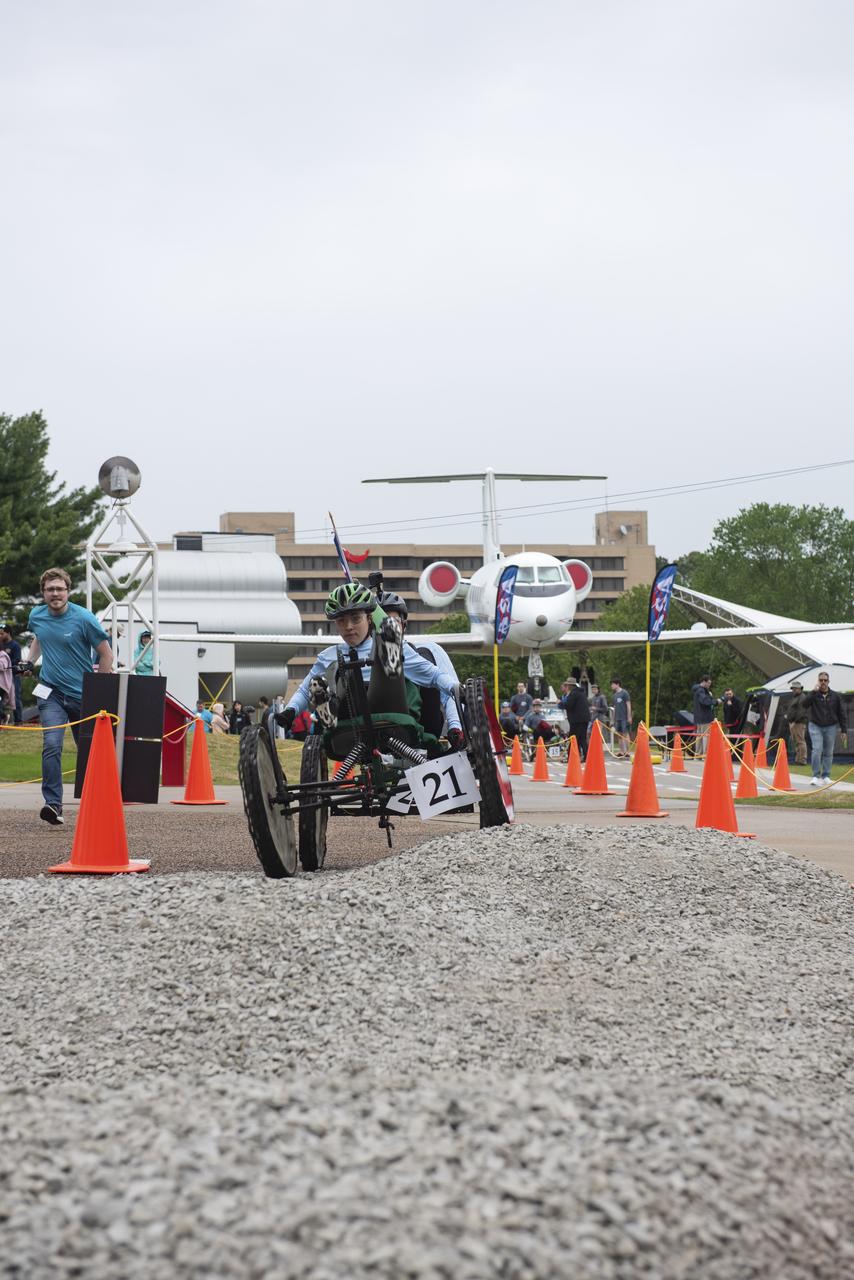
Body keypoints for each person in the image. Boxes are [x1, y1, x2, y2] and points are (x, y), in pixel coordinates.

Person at [275, 582, 463, 749]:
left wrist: (455, 688)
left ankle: (380, 658)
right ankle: (330, 717)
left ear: (369, 618)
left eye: (355, 619)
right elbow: (302, 691)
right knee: (318, 681)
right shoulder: (328, 656)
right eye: (341, 621)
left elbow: (433, 675)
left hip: (390, 707)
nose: (348, 627)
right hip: (347, 714)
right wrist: (290, 712)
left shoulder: (392, 645)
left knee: (387, 644)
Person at [25, 567, 113, 825]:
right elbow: (39, 638)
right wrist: (29, 661)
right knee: (52, 744)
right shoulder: (36, 616)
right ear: (43, 593)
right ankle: (53, 804)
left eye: (60, 589)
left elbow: (106, 654)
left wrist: (99, 690)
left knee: (90, 751)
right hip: (50, 692)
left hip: (83, 695)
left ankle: (98, 802)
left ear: (68, 591)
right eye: (50, 589)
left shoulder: (84, 618)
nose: (55, 593)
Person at [374, 590, 463, 738]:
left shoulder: (427, 650)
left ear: (404, 625)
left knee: (427, 655)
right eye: (379, 623)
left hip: (423, 731)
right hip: (374, 731)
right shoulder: (361, 652)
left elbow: (449, 691)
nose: (386, 628)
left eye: (393, 622)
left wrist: (455, 727)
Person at [802, 671, 848, 785]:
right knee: (817, 750)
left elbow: (842, 713)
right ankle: (815, 776)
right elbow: (804, 704)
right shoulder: (813, 694)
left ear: (828, 681)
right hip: (815, 725)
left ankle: (826, 775)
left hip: (831, 727)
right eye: (821, 680)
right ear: (818, 681)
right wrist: (813, 691)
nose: (823, 682)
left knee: (828, 752)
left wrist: (844, 730)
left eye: (825, 680)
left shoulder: (836, 696)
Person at [559, 676, 590, 761]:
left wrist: (560, 703)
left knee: (573, 738)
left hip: (577, 720)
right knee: (582, 738)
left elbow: (568, 705)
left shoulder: (574, 693)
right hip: (584, 719)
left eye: (567, 685)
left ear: (570, 686)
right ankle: (586, 756)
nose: (567, 686)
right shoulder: (581, 692)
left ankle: (571, 757)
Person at [0, 623, 23, 724]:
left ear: (8, 633)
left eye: (2, 633)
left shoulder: (15, 645)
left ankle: (18, 720)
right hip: (3, 677)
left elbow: (17, 660)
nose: (0, 635)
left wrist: (7, 667)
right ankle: (4, 718)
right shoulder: (2, 645)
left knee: (15, 697)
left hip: (14, 675)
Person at [691, 675, 717, 757]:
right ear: (704, 682)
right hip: (705, 717)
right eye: (708, 683)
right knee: (706, 736)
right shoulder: (701, 691)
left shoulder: (696, 690)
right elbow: (705, 702)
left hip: (698, 718)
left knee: (699, 736)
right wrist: (715, 701)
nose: (709, 685)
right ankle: (705, 754)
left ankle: (698, 754)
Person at [784, 681, 809, 767]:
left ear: (800, 688)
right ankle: (798, 760)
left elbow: (801, 711)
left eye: (795, 688)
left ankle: (802, 760)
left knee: (800, 741)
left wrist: (794, 721)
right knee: (796, 741)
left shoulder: (802, 697)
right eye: (793, 688)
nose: (793, 690)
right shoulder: (796, 697)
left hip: (798, 723)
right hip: (793, 722)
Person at [610, 678, 632, 757]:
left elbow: (628, 705)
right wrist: (613, 719)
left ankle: (627, 751)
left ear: (617, 684)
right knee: (619, 735)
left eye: (612, 684)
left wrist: (629, 716)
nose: (611, 686)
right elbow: (614, 708)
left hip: (624, 717)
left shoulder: (624, 693)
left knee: (625, 734)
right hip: (617, 718)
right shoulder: (615, 695)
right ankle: (621, 751)